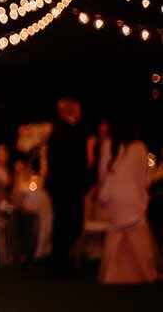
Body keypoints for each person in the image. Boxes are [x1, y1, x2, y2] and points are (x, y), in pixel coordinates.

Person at [97, 126, 159, 284]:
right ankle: (144, 272)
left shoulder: (108, 144)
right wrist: (143, 196)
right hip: (131, 196)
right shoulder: (139, 147)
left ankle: (111, 273)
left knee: (116, 233)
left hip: (113, 196)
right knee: (138, 236)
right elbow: (143, 176)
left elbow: (102, 173)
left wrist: (103, 195)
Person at [45, 97, 88, 275]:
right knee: (67, 222)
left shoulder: (58, 131)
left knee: (64, 223)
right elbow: (76, 162)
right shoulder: (69, 131)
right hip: (68, 187)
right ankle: (61, 263)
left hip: (61, 186)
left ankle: (61, 261)